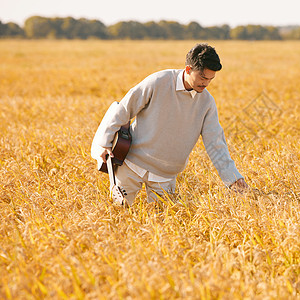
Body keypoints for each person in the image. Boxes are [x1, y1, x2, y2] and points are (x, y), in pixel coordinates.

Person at [91, 43, 248, 206]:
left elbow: (216, 144)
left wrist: (233, 179)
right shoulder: (158, 81)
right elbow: (124, 108)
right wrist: (105, 142)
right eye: (202, 77)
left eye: (210, 79)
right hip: (131, 166)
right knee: (117, 218)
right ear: (188, 69)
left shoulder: (207, 103)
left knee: (161, 227)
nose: (206, 83)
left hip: (165, 177)